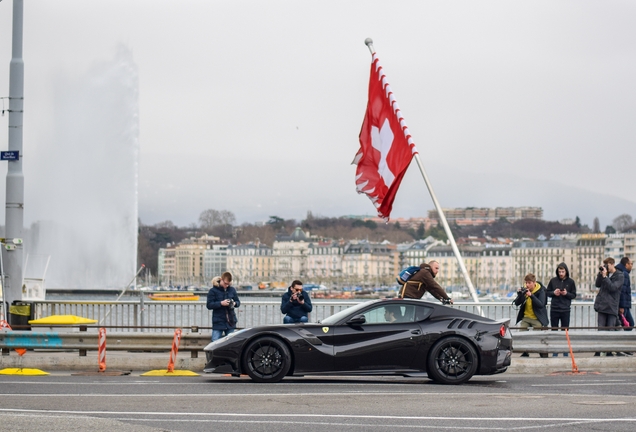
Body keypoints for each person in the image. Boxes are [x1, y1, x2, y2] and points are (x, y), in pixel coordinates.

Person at [594, 257, 624, 356]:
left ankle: (609, 351)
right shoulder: (604, 274)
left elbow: (613, 288)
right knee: (600, 329)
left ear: (612, 264)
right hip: (602, 305)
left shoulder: (620, 276)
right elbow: (597, 284)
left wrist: (605, 277)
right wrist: (601, 274)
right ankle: (598, 350)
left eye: (607, 265)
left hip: (611, 307)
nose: (606, 267)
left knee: (610, 331)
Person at [514, 273, 549, 358]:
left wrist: (531, 296)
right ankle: (526, 352)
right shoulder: (525, 289)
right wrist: (520, 294)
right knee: (521, 335)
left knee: (537, 336)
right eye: (526, 282)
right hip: (526, 317)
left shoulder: (541, 291)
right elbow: (516, 303)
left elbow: (541, 304)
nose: (527, 285)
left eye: (529, 283)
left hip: (537, 318)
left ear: (534, 282)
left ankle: (542, 352)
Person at [546, 262, 577, 357]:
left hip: (565, 309)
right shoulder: (553, 281)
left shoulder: (571, 282)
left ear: (566, 271)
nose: (561, 273)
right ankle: (555, 352)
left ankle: (565, 352)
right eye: (559, 271)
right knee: (554, 331)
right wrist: (553, 293)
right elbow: (547, 292)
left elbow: (574, 295)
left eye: (562, 271)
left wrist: (566, 294)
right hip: (554, 308)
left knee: (565, 331)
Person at [206, 272, 240, 341]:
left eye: (228, 284)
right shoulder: (213, 291)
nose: (227, 286)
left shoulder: (232, 290)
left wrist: (234, 303)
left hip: (230, 321)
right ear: (221, 279)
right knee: (214, 343)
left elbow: (238, 302)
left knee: (231, 344)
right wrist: (221, 303)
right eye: (225, 283)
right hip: (218, 322)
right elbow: (209, 305)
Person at [616, 257, 633, 332]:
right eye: (631, 264)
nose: (632, 266)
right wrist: (622, 306)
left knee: (628, 325)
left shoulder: (620, 272)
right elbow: (622, 290)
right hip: (623, 305)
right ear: (626, 264)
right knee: (629, 325)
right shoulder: (624, 274)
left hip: (625, 304)